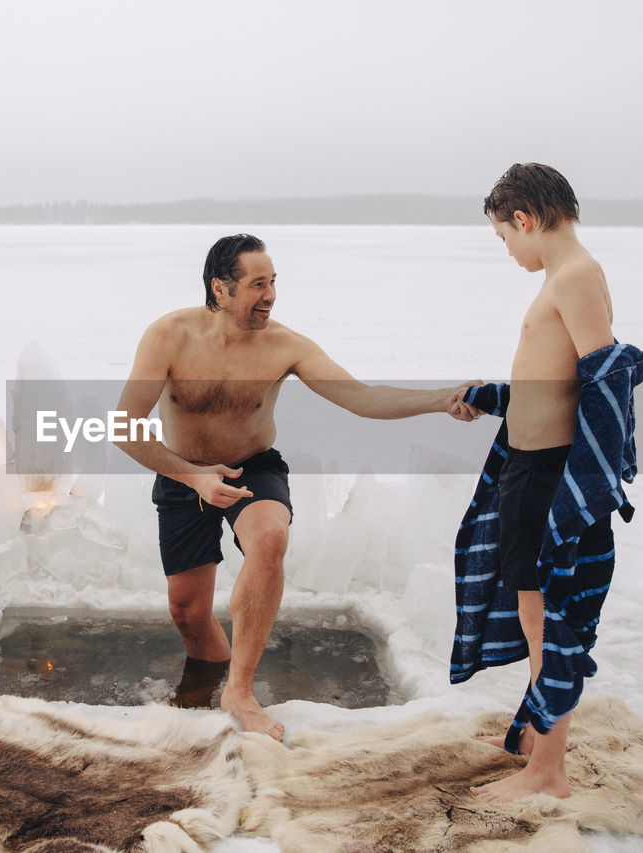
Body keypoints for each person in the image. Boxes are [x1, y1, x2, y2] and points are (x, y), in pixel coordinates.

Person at [116, 233, 478, 741]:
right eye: (258, 284)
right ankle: (209, 681)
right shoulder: (169, 336)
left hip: (252, 468)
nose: (270, 295)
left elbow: (362, 398)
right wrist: (193, 475)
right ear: (220, 289)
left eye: (273, 283)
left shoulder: (285, 345)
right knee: (188, 612)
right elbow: (123, 425)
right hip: (184, 472)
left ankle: (240, 692)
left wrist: (440, 400)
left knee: (270, 539)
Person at [450, 163, 643, 801]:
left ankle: (548, 773)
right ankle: (533, 737)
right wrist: (492, 394)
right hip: (527, 463)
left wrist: (584, 492)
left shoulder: (578, 276)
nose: (507, 252)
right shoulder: (566, 277)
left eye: (504, 237)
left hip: (549, 473)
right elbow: (555, 381)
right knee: (532, 608)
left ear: (525, 219)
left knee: (546, 617)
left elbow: (606, 381)